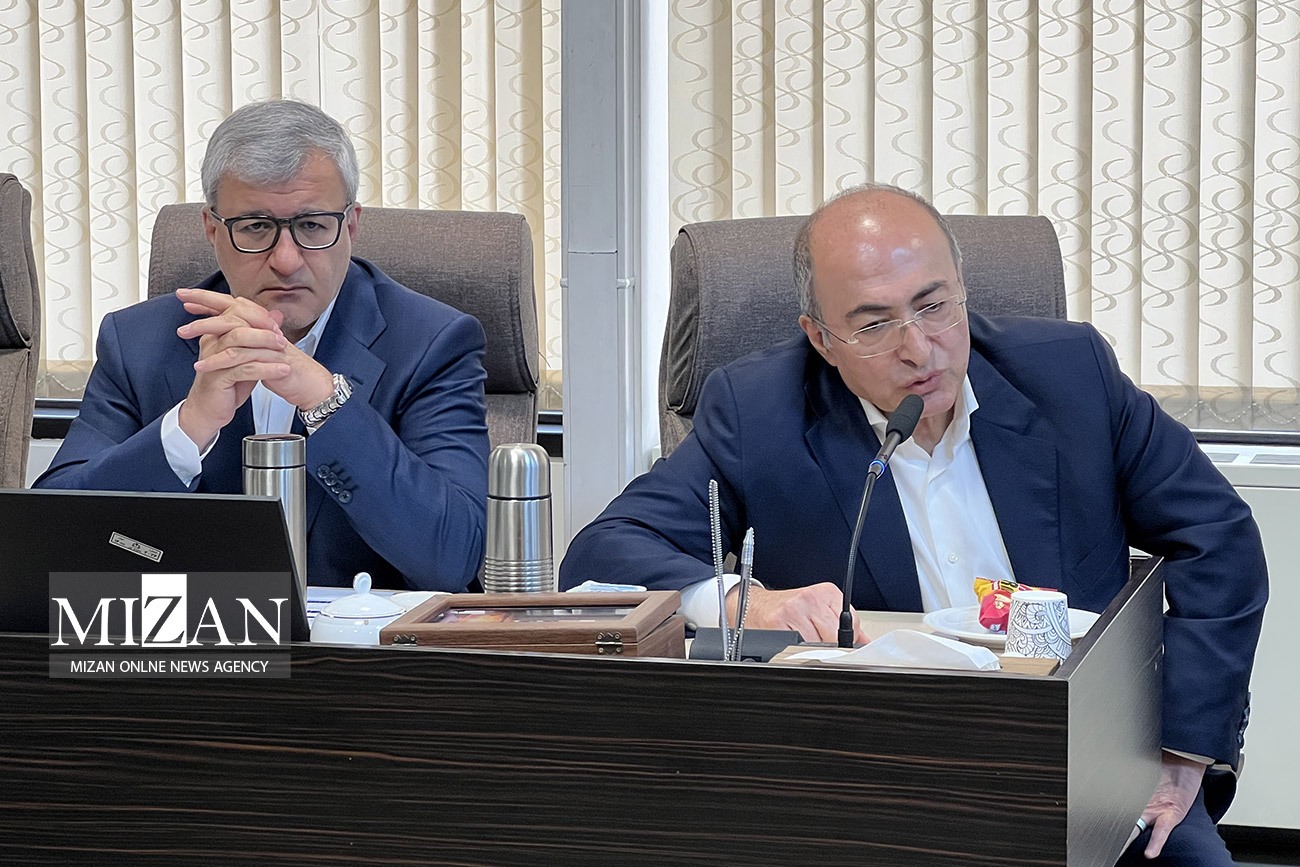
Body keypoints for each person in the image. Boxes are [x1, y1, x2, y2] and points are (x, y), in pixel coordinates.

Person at [559, 183, 1268, 864]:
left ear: (962, 288)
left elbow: (1218, 537)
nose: (920, 348)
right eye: (874, 325)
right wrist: (747, 602)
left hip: (1084, 764)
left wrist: (1179, 751)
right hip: (878, 775)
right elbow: (605, 553)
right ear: (821, 338)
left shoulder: (1070, 374)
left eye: (934, 306)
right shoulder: (759, 411)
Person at [37, 99, 489, 592]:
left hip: (365, 641)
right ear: (212, 229)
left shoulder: (430, 342)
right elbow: (54, 544)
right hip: (189, 634)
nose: (286, 260)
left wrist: (324, 400)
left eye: (312, 225)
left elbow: (454, 559)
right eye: (255, 227)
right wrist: (189, 427)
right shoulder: (138, 342)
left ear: (351, 225)